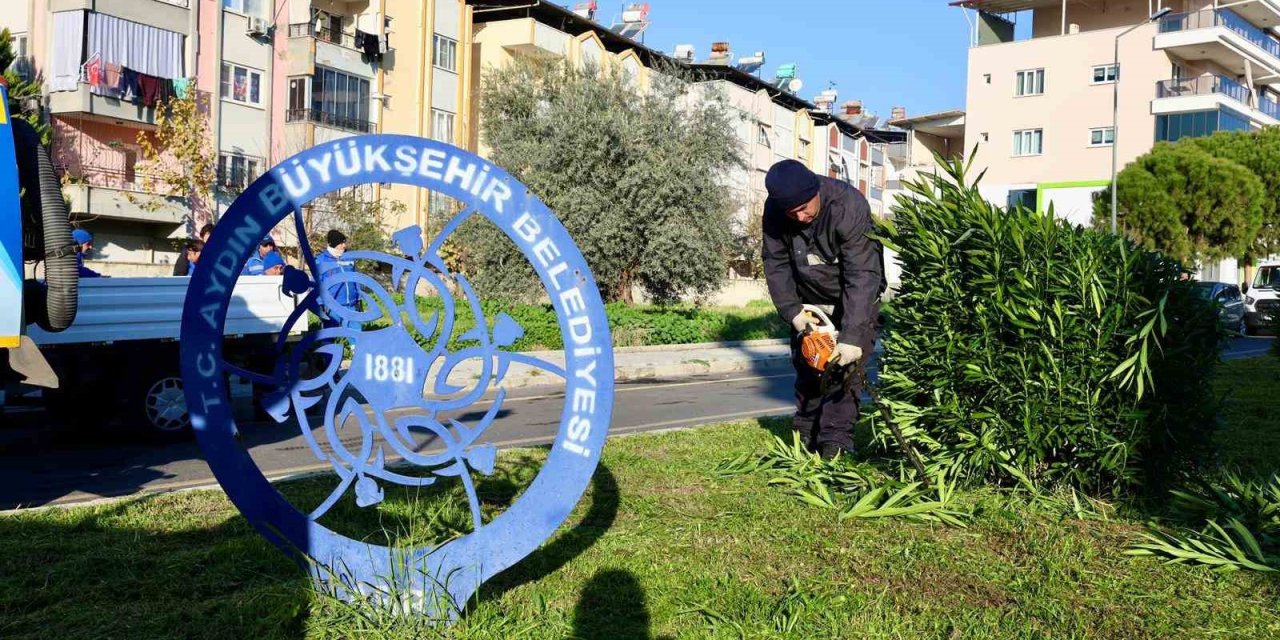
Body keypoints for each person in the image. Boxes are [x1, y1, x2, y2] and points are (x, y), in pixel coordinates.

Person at [761, 159, 884, 460]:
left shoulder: (848, 205)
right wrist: (793, 312)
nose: (801, 217)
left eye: (805, 207)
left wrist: (853, 336)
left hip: (853, 298)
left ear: (815, 190)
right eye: (793, 213)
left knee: (845, 375)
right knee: (809, 367)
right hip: (809, 301)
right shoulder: (776, 209)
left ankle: (834, 444)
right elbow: (775, 263)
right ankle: (805, 434)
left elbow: (862, 274)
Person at [315, 229, 359, 321]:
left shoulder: (349, 258)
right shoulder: (320, 261)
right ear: (334, 244)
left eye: (344, 243)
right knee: (331, 334)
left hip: (351, 306)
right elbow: (316, 284)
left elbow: (356, 279)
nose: (344, 246)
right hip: (332, 307)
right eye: (341, 243)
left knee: (356, 333)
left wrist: (359, 298)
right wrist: (320, 303)